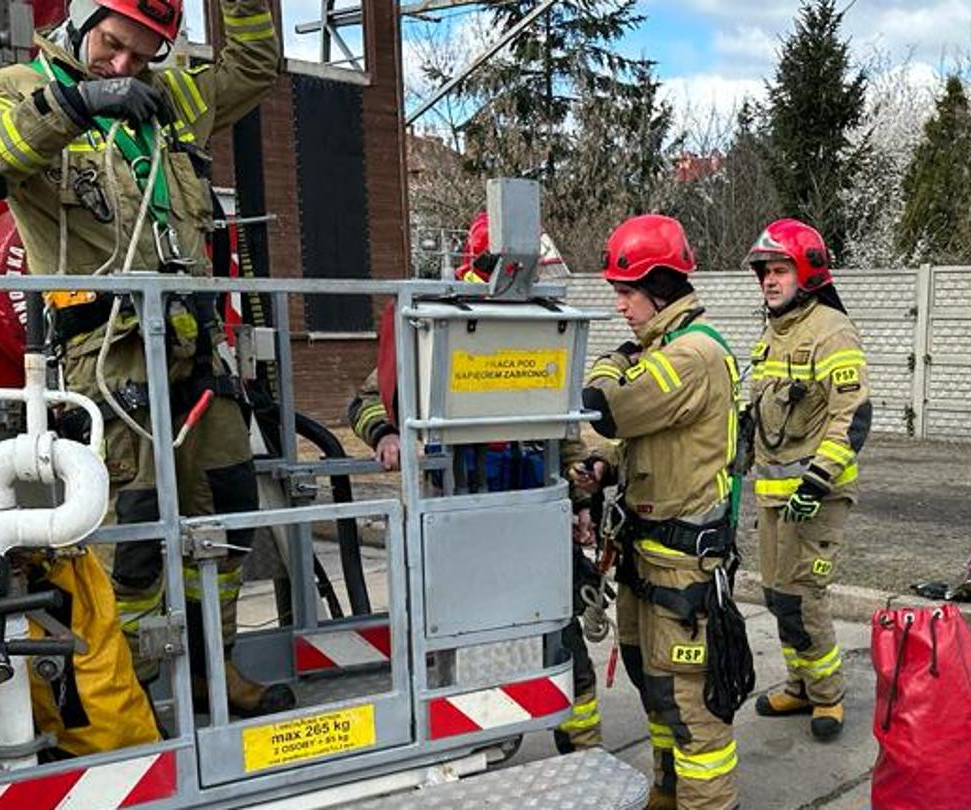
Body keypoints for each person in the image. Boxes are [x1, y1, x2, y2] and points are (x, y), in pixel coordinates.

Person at [0, 0, 288, 719]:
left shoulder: (171, 101)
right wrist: (73, 103)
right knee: (129, 539)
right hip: (109, 362)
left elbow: (253, 66)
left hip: (195, 356)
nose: (125, 66)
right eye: (112, 46)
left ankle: (212, 671)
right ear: (79, 21)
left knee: (227, 514)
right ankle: (128, 695)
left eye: (143, 55)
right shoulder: (16, 89)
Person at [342, 211, 602, 751]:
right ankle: (481, 732)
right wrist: (386, 433)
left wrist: (581, 499)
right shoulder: (436, 325)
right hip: (462, 508)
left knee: (559, 622)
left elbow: (564, 429)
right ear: (491, 269)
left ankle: (579, 735)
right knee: (467, 625)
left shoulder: (542, 325)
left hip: (533, 504)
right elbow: (367, 399)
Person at [571, 214, 743, 810]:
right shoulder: (666, 350)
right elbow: (643, 442)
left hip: (683, 568)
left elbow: (606, 407)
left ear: (661, 286)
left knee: (693, 712)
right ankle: (668, 795)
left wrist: (611, 361)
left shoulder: (690, 356)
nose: (620, 307)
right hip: (650, 558)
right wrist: (605, 468)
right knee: (658, 694)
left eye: (626, 292)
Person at [741, 219, 870, 742]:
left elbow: (853, 414)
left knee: (805, 597)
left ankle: (827, 694)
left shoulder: (830, 330)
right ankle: (799, 682)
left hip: (818, 497)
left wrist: (817, 479)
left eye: (780, 270)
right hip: (775, 497)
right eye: (765, 273)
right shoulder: (773, 333)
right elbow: (759, 412)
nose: (770, 281)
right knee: (777, 596)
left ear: (808, 273)